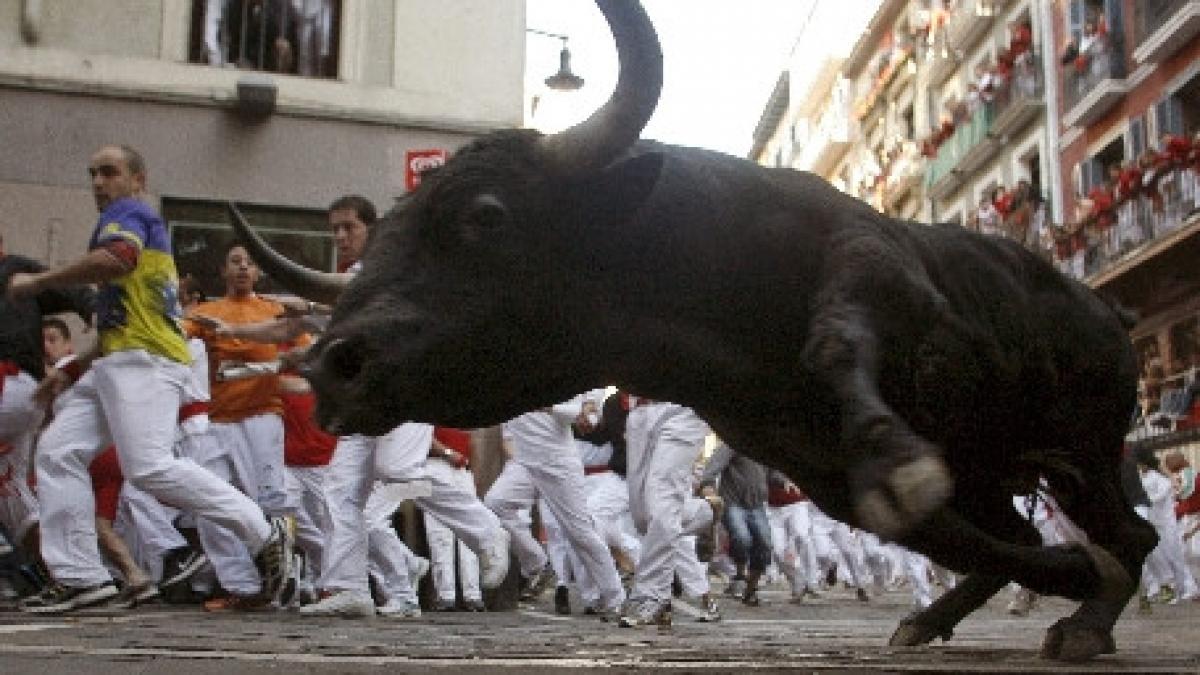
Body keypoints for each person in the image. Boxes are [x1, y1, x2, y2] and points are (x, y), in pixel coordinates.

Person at [5, 144, 291, 613]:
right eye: (93, 174)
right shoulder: (130, 221)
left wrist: (40, 281)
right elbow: (122, 317)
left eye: (109, 172)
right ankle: (80, 576)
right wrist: (72, 370)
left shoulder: (128, 214)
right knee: (58, 453)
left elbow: (119, 257)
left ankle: (262, 529)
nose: (98, 182)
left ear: (138, 180)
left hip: (145, 361)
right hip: (120, 360)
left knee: (149, 467)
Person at [185, 244, 294, 609]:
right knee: (208, 503)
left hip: (262, 417)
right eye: (235, 262)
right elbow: (174, 337)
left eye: (250, 263)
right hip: (216, 422)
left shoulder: (274, 310)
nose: (243, 268)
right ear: (223, 271)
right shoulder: (206, 313)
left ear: (258, 273)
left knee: (270, 503)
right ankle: (242, 587)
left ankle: (287, 584)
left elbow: (306, 351)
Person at [618, 398, 721, 627]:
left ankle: (650, 595)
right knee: (644, 519)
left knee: (662, 507)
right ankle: (705, 511)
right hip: (639, 409)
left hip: (681, 407)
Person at [698, 443, 772, 606]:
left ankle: (751, 588)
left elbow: (774, 472)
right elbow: (714, 465)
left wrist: (786, 480)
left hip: (757, 504)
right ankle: (739, 575)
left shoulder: (766, 445)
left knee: (765, 544)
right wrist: (707, 484)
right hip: (733, 502)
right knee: (741, 537)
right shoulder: (733, 443)